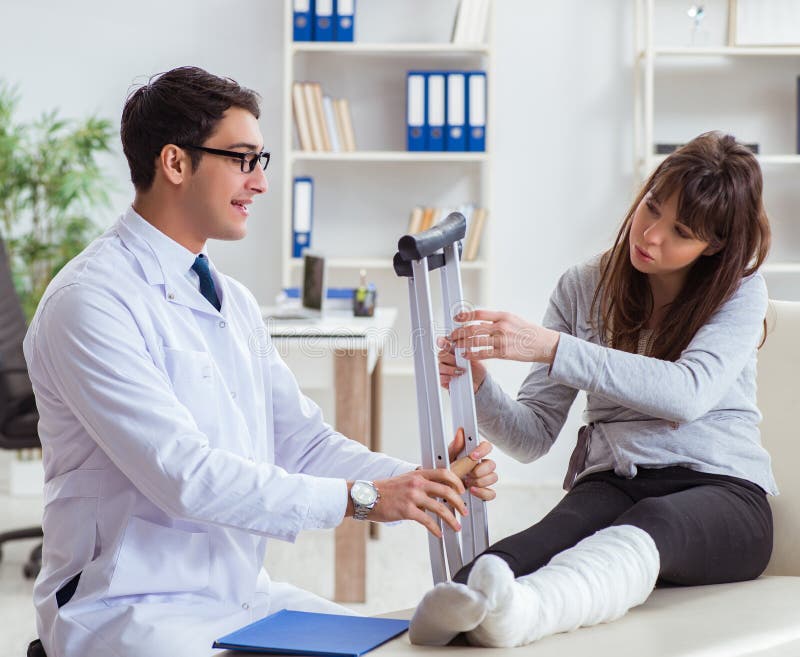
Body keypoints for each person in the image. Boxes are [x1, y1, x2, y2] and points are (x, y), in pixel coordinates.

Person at [22, 66, 497, 657]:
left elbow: (302, 441)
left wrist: (421, 484)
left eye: (260, 161)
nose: (261, 183)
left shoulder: (230, 298)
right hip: (130, 612)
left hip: (241, 597)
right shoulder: (90, 303)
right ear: (175, 163)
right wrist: (367, 498)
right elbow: (184, 478)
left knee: (405, 648)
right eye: (243, 159)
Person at [408, 131, 775, 647]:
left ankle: (528, 614)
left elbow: (687, 394)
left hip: (723, 493)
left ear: (713, 245)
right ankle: (459, 603)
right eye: (651, 208)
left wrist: (554, 348)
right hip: (614, 482)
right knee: (526, 549)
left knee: (652, 520)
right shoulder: (583, 286)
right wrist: (480, 385)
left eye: (680, 231)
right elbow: (532, 436)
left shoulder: (740, 290)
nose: (650, 236)